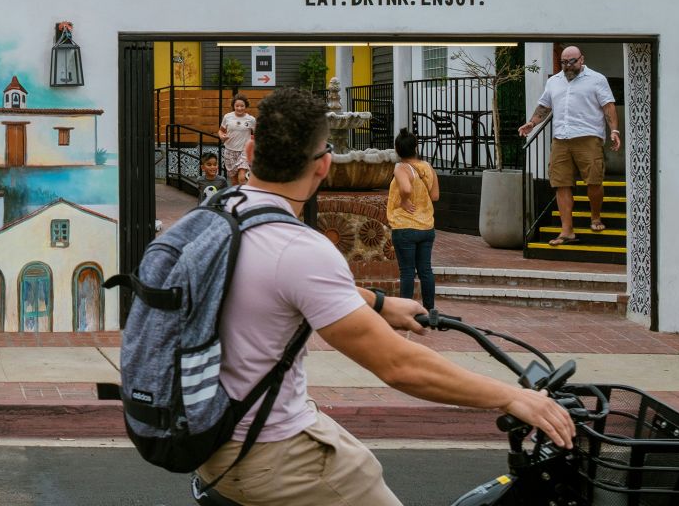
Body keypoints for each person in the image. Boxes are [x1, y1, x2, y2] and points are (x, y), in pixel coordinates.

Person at [195, 88, 573, 506]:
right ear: (324, 165)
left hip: (210, 435)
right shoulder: (301, 248)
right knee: (363, 474)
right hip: (267, 449)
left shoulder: (219, 212)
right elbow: (399, 366)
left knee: (349, 449)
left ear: (250, 150)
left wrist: (380, 303)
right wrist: (512, 396)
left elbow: (281, 279)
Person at [517, 46, 620, 246]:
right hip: (561, 138)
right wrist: (532, 123)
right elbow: (544, 105)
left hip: (588, 136)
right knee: (560, 182)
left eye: (571, 61)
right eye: (564, 62)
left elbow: (608, 106)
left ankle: (595, 216)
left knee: (594, 181)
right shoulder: (554, 81)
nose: (567, 66)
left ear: (582, 59)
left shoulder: (596, 79)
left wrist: (614, 130)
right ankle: (567, 230)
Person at [386, 128, 440, 309]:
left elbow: (406, 189)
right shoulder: (428, 167)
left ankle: (405, 311)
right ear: (416, 147)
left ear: (397, 149)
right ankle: (430, 311)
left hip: (405, 227)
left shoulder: (401, 168)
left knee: (407, 272)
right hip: (426, 227)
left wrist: (404, 200)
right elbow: (435, 196)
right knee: (426, 270)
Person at [219, 94, 255, 185]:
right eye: (237, 106)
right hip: (229, 151)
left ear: (246, 106)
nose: (239, 108)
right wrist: (222, 136)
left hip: (244, 151)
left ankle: (245, 192)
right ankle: (238, 194)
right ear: (233, 106)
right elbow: (221, 130)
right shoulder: (227, 117)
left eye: (242, 106)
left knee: (242, 178)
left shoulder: (251, 119)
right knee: (234, 181)